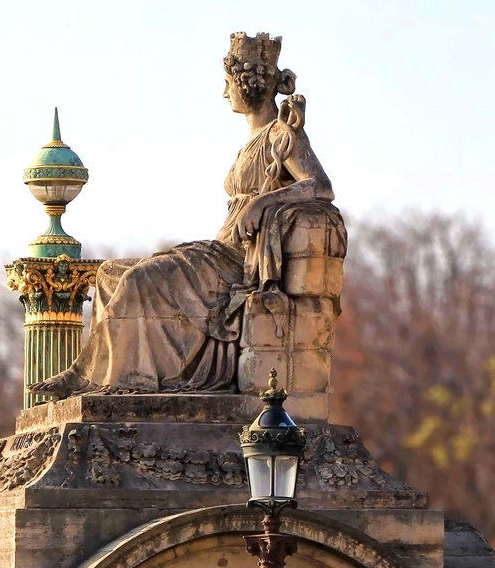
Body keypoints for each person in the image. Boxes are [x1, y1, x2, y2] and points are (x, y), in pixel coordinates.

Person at [31, 32, 343, 398]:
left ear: (248, 86)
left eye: (228, 84)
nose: (224, 93)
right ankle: (88, 374)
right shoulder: (252, 141)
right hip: (218, 248)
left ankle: (127, 382)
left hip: (238, 259)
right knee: (108, 274)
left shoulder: (282, 135)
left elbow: (321, 187)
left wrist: (264, 203)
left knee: (139, 280)